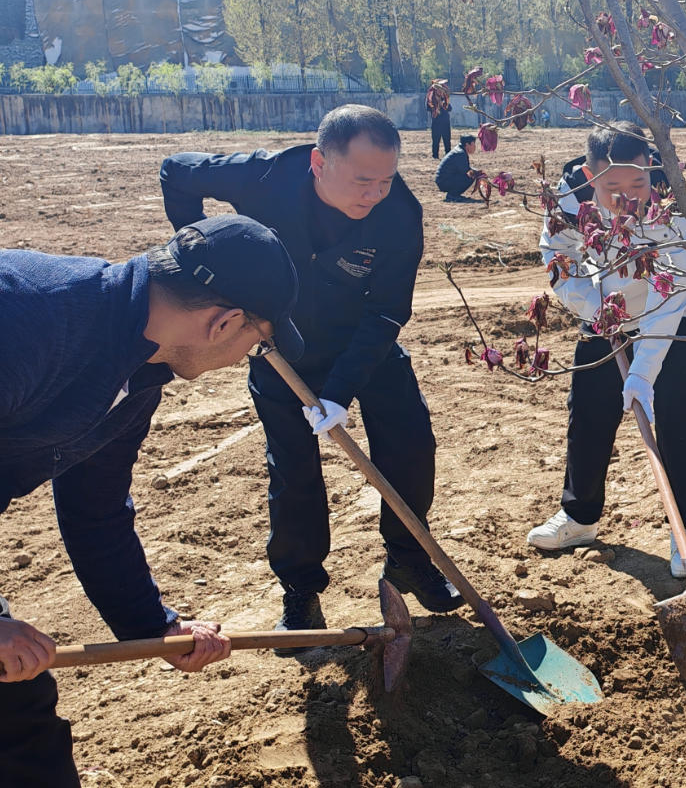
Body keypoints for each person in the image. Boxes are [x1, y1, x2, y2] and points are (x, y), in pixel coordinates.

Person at [1, 215, 303, 785]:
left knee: (20, 720)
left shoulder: (141, 369)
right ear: (226, 322)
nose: (244, 358)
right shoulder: (29, 321)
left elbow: (97, 512)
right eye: (256, 344)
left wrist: (151, 627)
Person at [159, 104, 463, 649]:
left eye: (386, 180)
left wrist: (339, 391)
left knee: (411, 446)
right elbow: (176, 170)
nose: (375, 194)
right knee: (294, 473)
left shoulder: (399, 213)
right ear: (320, 162)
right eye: (363, 180)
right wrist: (207, 271)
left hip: (362, 341)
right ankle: (300, 593)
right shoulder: (264, 176)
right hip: (278, 347)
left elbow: (389, 310)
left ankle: (408, 562)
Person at [530, 123, 686, 577]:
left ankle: (685, 527)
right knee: (589, 408)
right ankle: (579, 516)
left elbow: (675, 290)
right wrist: (600, 309)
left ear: (652, 171)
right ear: (589, 175)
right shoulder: (568, 202)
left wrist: (643, 371)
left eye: (638, 183)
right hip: (604, 309)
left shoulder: (674, 205)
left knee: (671, 412)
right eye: (612, 186)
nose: (628, 196)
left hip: (675, 309)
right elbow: (560, 263)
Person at [435, 134, 481, 201]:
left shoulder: (460, 150)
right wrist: (478, 173)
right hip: (444, 181)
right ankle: (453, 195)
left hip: (443, 180)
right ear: (467, 144)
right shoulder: (460, 153)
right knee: (471, 176)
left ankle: (453, 194)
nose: (475, 147)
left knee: (473, 173)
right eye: (473, 144)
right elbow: (466, 171)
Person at [427, 79, 451, 160]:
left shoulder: (445, 98)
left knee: (447, 140)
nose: (440, 91)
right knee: (436, 140)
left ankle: (448, 155)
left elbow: (449, 108)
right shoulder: (431, 99)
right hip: (436, 122)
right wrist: (437, 105)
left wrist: (443, 103)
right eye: (439, 90)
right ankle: (435, 156)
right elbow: (428, 108)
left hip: (445, 122)